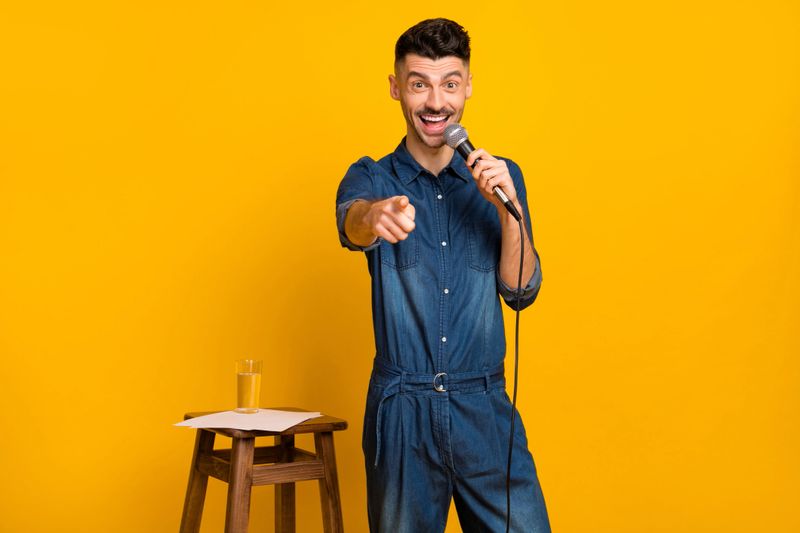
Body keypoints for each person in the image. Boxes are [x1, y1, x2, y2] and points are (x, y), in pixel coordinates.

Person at [335, 18, 551, 533]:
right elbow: (352, 222)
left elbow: (521, 291)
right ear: (396, 88)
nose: (436, 102)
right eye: (419, 83)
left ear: (468, 87)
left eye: (449, 83)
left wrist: (508, 210)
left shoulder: (502, 177)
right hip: (403, 410)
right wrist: (374, 216)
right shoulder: (372, 177)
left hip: (483, 407)